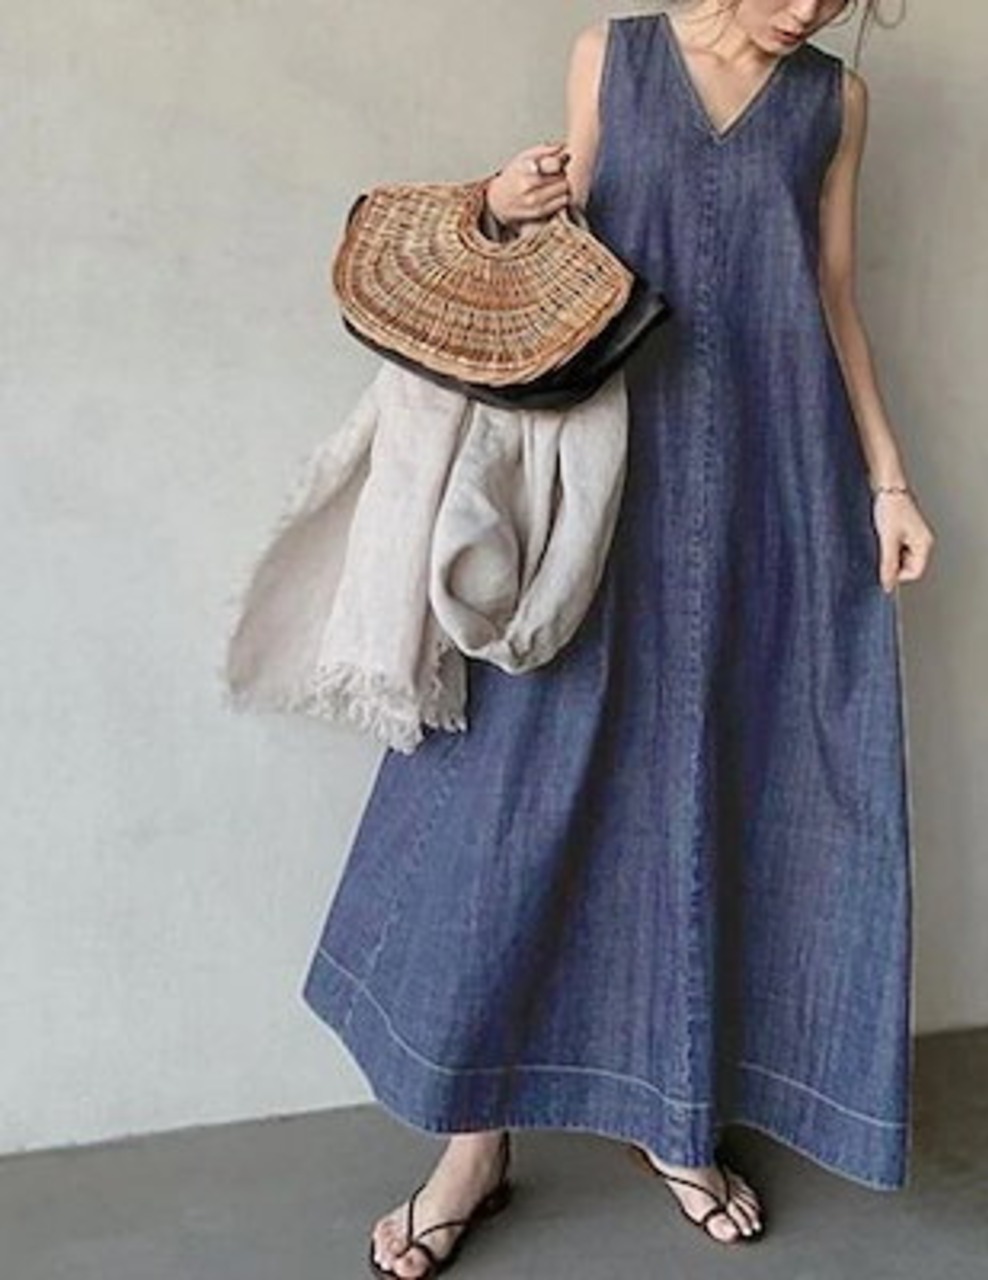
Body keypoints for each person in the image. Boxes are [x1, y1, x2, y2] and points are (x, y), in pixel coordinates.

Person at [302, 2, 936, 1276]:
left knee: (720, 788)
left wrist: (886, 479)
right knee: (516, 793)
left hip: (770, 475)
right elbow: (563, 255)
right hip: (600, 481)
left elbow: (831, 294)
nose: (806, 10)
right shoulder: (614, 56)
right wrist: (505, 199)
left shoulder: (834, 102)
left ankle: (674, 1117)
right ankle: (471, 1147)